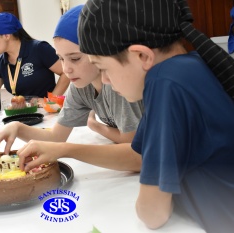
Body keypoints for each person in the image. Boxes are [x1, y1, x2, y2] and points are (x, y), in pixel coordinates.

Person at [77, 0, 234, 232]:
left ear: (142, 56)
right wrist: (64, 150)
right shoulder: (189, 66)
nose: (106, 81)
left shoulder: (165, 82)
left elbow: (153, 213)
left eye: (102, 68)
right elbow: (137, 156)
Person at [0, 5, 143, 173]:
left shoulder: (118, 83)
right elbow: (56, 137)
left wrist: (81, 139)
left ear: (99, 51)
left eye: (75, 58)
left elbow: (135, 153)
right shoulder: (81, 86)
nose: (66, 69)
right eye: (61, 59)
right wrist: (17, 127)